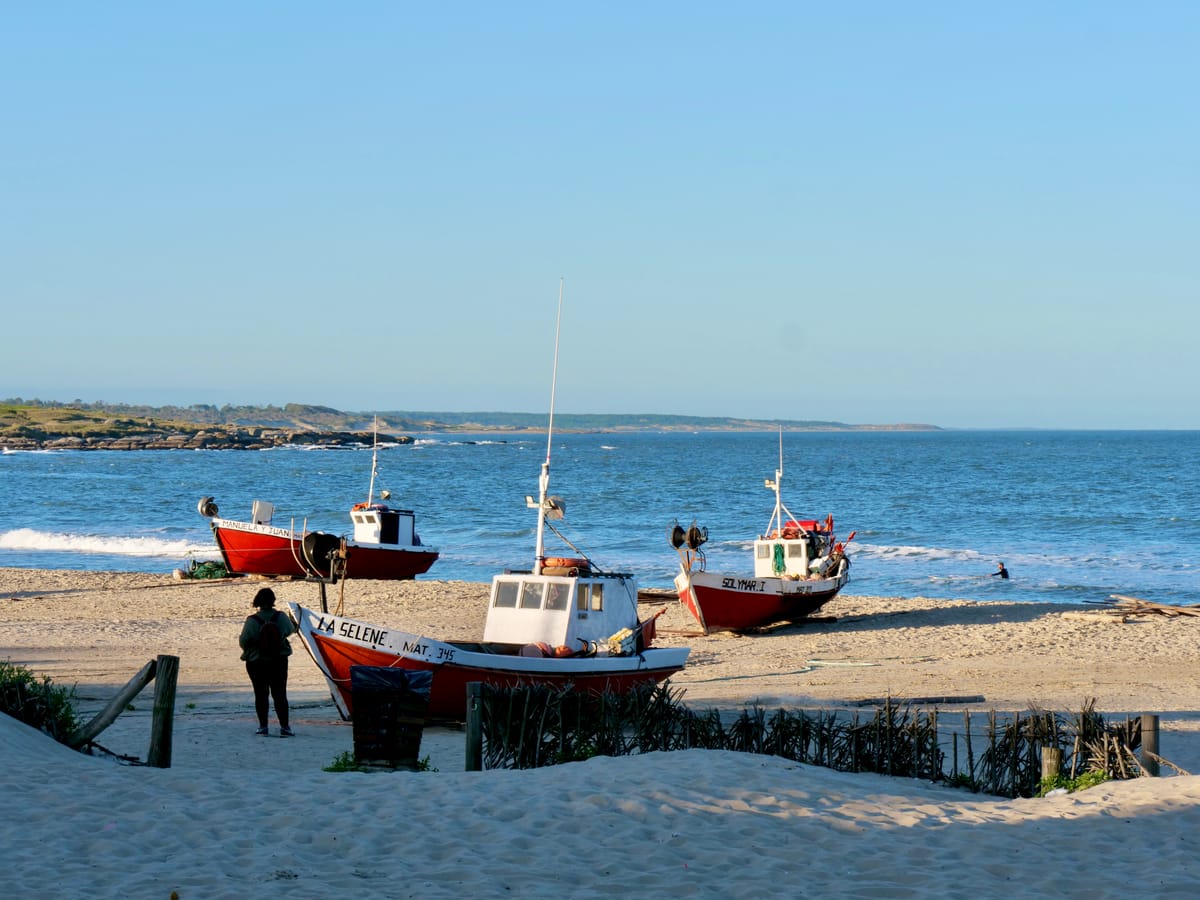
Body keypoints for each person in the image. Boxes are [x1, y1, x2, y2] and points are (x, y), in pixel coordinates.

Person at [239, 587, 296, 736]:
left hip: (257, 662)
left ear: (257, 601)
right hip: (278, 660)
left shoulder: (252, 620)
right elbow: (290, 630)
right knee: (280, 694)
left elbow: (244, 641)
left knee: (261, 694)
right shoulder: (281, 617)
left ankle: (263, 727)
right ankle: (285, 727)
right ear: (273, 601)